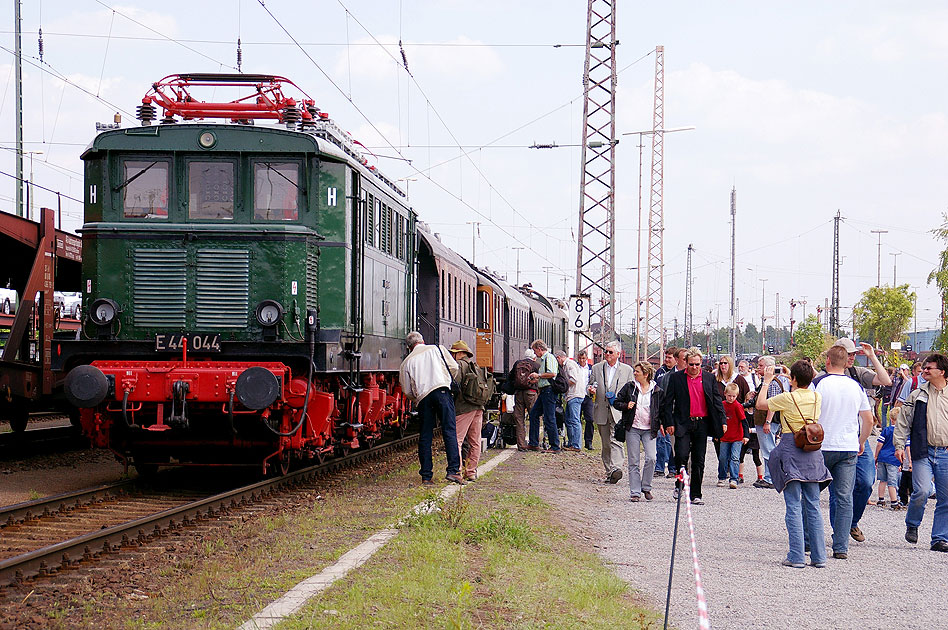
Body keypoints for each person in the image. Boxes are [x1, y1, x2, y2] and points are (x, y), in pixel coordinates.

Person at [756, 360, 832, 568]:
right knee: (813, 506)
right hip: (812, 450)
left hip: (792, 448)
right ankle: (819, 556)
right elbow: (813, 376)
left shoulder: (788, 398)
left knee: (793, 505)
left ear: (794, 379)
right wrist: (797, 374)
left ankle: (797, 555)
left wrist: (766, 381)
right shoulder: (817, 396)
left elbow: (760, 404)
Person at [825, 338, 892, 544]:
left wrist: (872, 357)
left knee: (865, 481)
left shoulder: (857, 374)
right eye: (849, 353)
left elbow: (886, 381)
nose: (853, 357)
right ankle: (840, 533)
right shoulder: (822, 378)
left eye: (855, 354)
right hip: (834, 439)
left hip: (858, 437)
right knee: (839, 490)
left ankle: (851, 522)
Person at [813, 345, 874, 559]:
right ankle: (841, 546)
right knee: (844, 496)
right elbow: (868, 419)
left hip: (821, 446)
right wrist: (861, 440)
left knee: (811, 494)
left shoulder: (818, 384)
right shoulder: (855, 386)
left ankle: (810, 540)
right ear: (846, 362)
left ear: (828, 361)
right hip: (847, 446)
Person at [894, 353, 948, 552]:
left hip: (945, 452)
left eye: (929, 368)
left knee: (946, 498)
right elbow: (903, 422)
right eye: (924, 368)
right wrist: (899, 445)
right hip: (923, 451)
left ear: (941, 372)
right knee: (922, 491)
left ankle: (939, 538)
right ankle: (913, 523)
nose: (924, 371)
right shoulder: (917, 395)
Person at [398, 331, 465, 485]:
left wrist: (417, 396)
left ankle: (426, 476)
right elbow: (454, 367)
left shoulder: (406, 362)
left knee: (425, 435)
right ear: (422, 341)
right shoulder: (438, 349)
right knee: (449, 430)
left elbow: (407, 390)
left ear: (409, 347)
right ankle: (453, 471)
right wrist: (445, 380)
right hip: (442, 390)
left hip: (423, 397)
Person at [661, 347, 726, 504]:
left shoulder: (709, 378)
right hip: (683, 422)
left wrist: (722, 420)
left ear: (701, 363)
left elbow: (717, 401)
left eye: (697, 364)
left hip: (702, 423)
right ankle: (679, 482)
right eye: (691, 364)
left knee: (699, 459)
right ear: (686, 363)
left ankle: (696, 494)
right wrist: (668, 422)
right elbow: (667, 403)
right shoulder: (677, 378)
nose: (694, 368)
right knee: (681, 455)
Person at [614, 361, 663, 502]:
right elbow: (616, 402)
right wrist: (625, 405)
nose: (634, 373)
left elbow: (661, 409)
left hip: (649, 429)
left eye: (637, 371)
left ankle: (646, 486)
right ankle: (635, 492)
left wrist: (662, 424)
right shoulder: (630, 387)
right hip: (633, 428)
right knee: (634, 461)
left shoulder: (657, 390)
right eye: (635, 371)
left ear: (646, 374)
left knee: (651, 458)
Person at [588, 340, 634, 483]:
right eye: (606, 351)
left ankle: (616, 468)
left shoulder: (627, 371)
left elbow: (632, 390)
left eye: (610, 352)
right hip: (601, 410)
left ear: (618, 354)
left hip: (618, 411)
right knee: (606, 443)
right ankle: (610, 472)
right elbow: (591, 385)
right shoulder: (596, 368)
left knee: (617, 440)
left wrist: (628, 404)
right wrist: (590, 390)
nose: (607, 354)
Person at [450, 340, 484, 482]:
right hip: (478, 407)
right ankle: (471, 472)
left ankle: (456, 470)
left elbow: (455, 386)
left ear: (459, 353)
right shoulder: (476, 366)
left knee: (457, 439)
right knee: (475, 441)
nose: (452, 355)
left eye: (453, 353)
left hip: (464, 407)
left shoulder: (459, 366)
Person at [750, 356, 785, 489]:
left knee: (768, 450)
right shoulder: (766, 382)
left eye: (761, 366)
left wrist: (768, 422)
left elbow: (773, 404)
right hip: (764, 420)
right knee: (767, 449)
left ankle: (771, 478)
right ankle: (769, 477)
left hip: (767, 421)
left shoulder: (772, 383)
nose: (758, 368)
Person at [528, 339, 560, 453]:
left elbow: (552, 373)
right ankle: (533, 443)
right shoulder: (543, 359)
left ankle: (555, 445)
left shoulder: (549, 358)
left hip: (549, 391)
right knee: (534, 414)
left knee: (549, 418)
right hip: (544, 390)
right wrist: (536, 379)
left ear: (540, 349)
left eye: (535, 350)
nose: (534, 353)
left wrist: (539, 375)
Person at [506, 349, 539, 451]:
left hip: (519, 393)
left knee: (519, 419)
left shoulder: (517, 363)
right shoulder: (536, 365)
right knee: (534, 417)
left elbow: (510, 377)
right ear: (534, 357)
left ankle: (521, 445)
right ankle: (534, 443)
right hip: (531, 392)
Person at [654, 347, 678, 476]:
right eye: (666, 357)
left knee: (671, 441)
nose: (667, 360)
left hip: (673, 413)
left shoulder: (678, 374)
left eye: (670, 358)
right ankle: (659, 467)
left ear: (676, 359)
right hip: (661, 410)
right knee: (660, 440)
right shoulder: (660, 372)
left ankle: (673, 468)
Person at [718, 382, 746, 489]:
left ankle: (734, 478)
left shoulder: (738, 406)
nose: (731, 398)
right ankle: (722, 476)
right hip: (725, 436)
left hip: (737, 437)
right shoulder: (722, 405)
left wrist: (746, 435)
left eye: (734, 396)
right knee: (723, 457)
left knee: (735, 457)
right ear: (725, 394)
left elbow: (744, 421)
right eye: (729, 396)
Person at [557, 350, 585, 452]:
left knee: (574, 420)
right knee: (569, 420)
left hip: (575, 395)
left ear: (559, 358)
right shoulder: (567, 365)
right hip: (571, 396)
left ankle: (576, 445)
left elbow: (573, 379)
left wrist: (563, 385)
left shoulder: (569, 365)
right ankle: (571, 442)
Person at [874, 422, 901, 509]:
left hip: (882, 457)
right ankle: (894, 501)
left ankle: (881, 499)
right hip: (893, 459)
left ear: (892, 420)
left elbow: (879, 444)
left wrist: (876, 456)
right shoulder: (901, 431)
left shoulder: (886, 430)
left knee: (882, 480)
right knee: (892, 482)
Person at [577, 350, 596, 450]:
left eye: (583, 358)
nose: (581, 360)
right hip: (577, 395)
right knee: (576, 419)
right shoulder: (575, 367)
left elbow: (595, 381)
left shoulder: (591, 369)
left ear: (586, 358)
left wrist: (593, 388)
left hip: (587, 396)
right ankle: (576, 441)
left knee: (590, 419)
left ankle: (588, 442)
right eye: (580, 358)